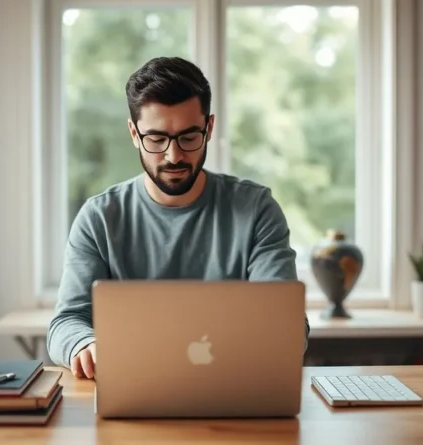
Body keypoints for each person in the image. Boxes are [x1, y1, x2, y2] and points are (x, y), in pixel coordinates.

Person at [47, 56, 309, 379]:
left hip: (235, 401)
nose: (174, 156)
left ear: (209, 128)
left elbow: (285, 323)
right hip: (131, 400)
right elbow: (66, 322)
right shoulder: (98, 218)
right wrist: (84, 344)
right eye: (156, 139)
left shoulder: (257, 211)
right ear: (133, 133)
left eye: (188, 137)